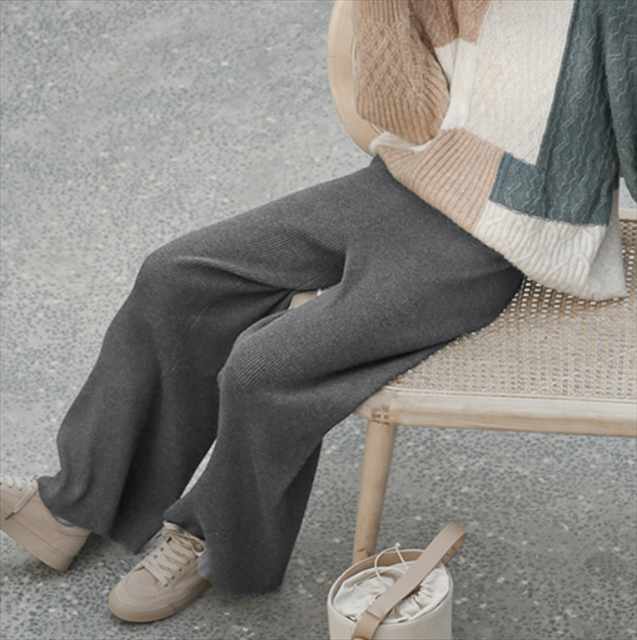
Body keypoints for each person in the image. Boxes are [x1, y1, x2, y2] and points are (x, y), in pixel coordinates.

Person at [1, 0, 634, 624]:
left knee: (265, 367)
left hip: (504, 236)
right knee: (176, 277)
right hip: (404, 185)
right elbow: (410, 120)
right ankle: (70, 506)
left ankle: (209, 540)